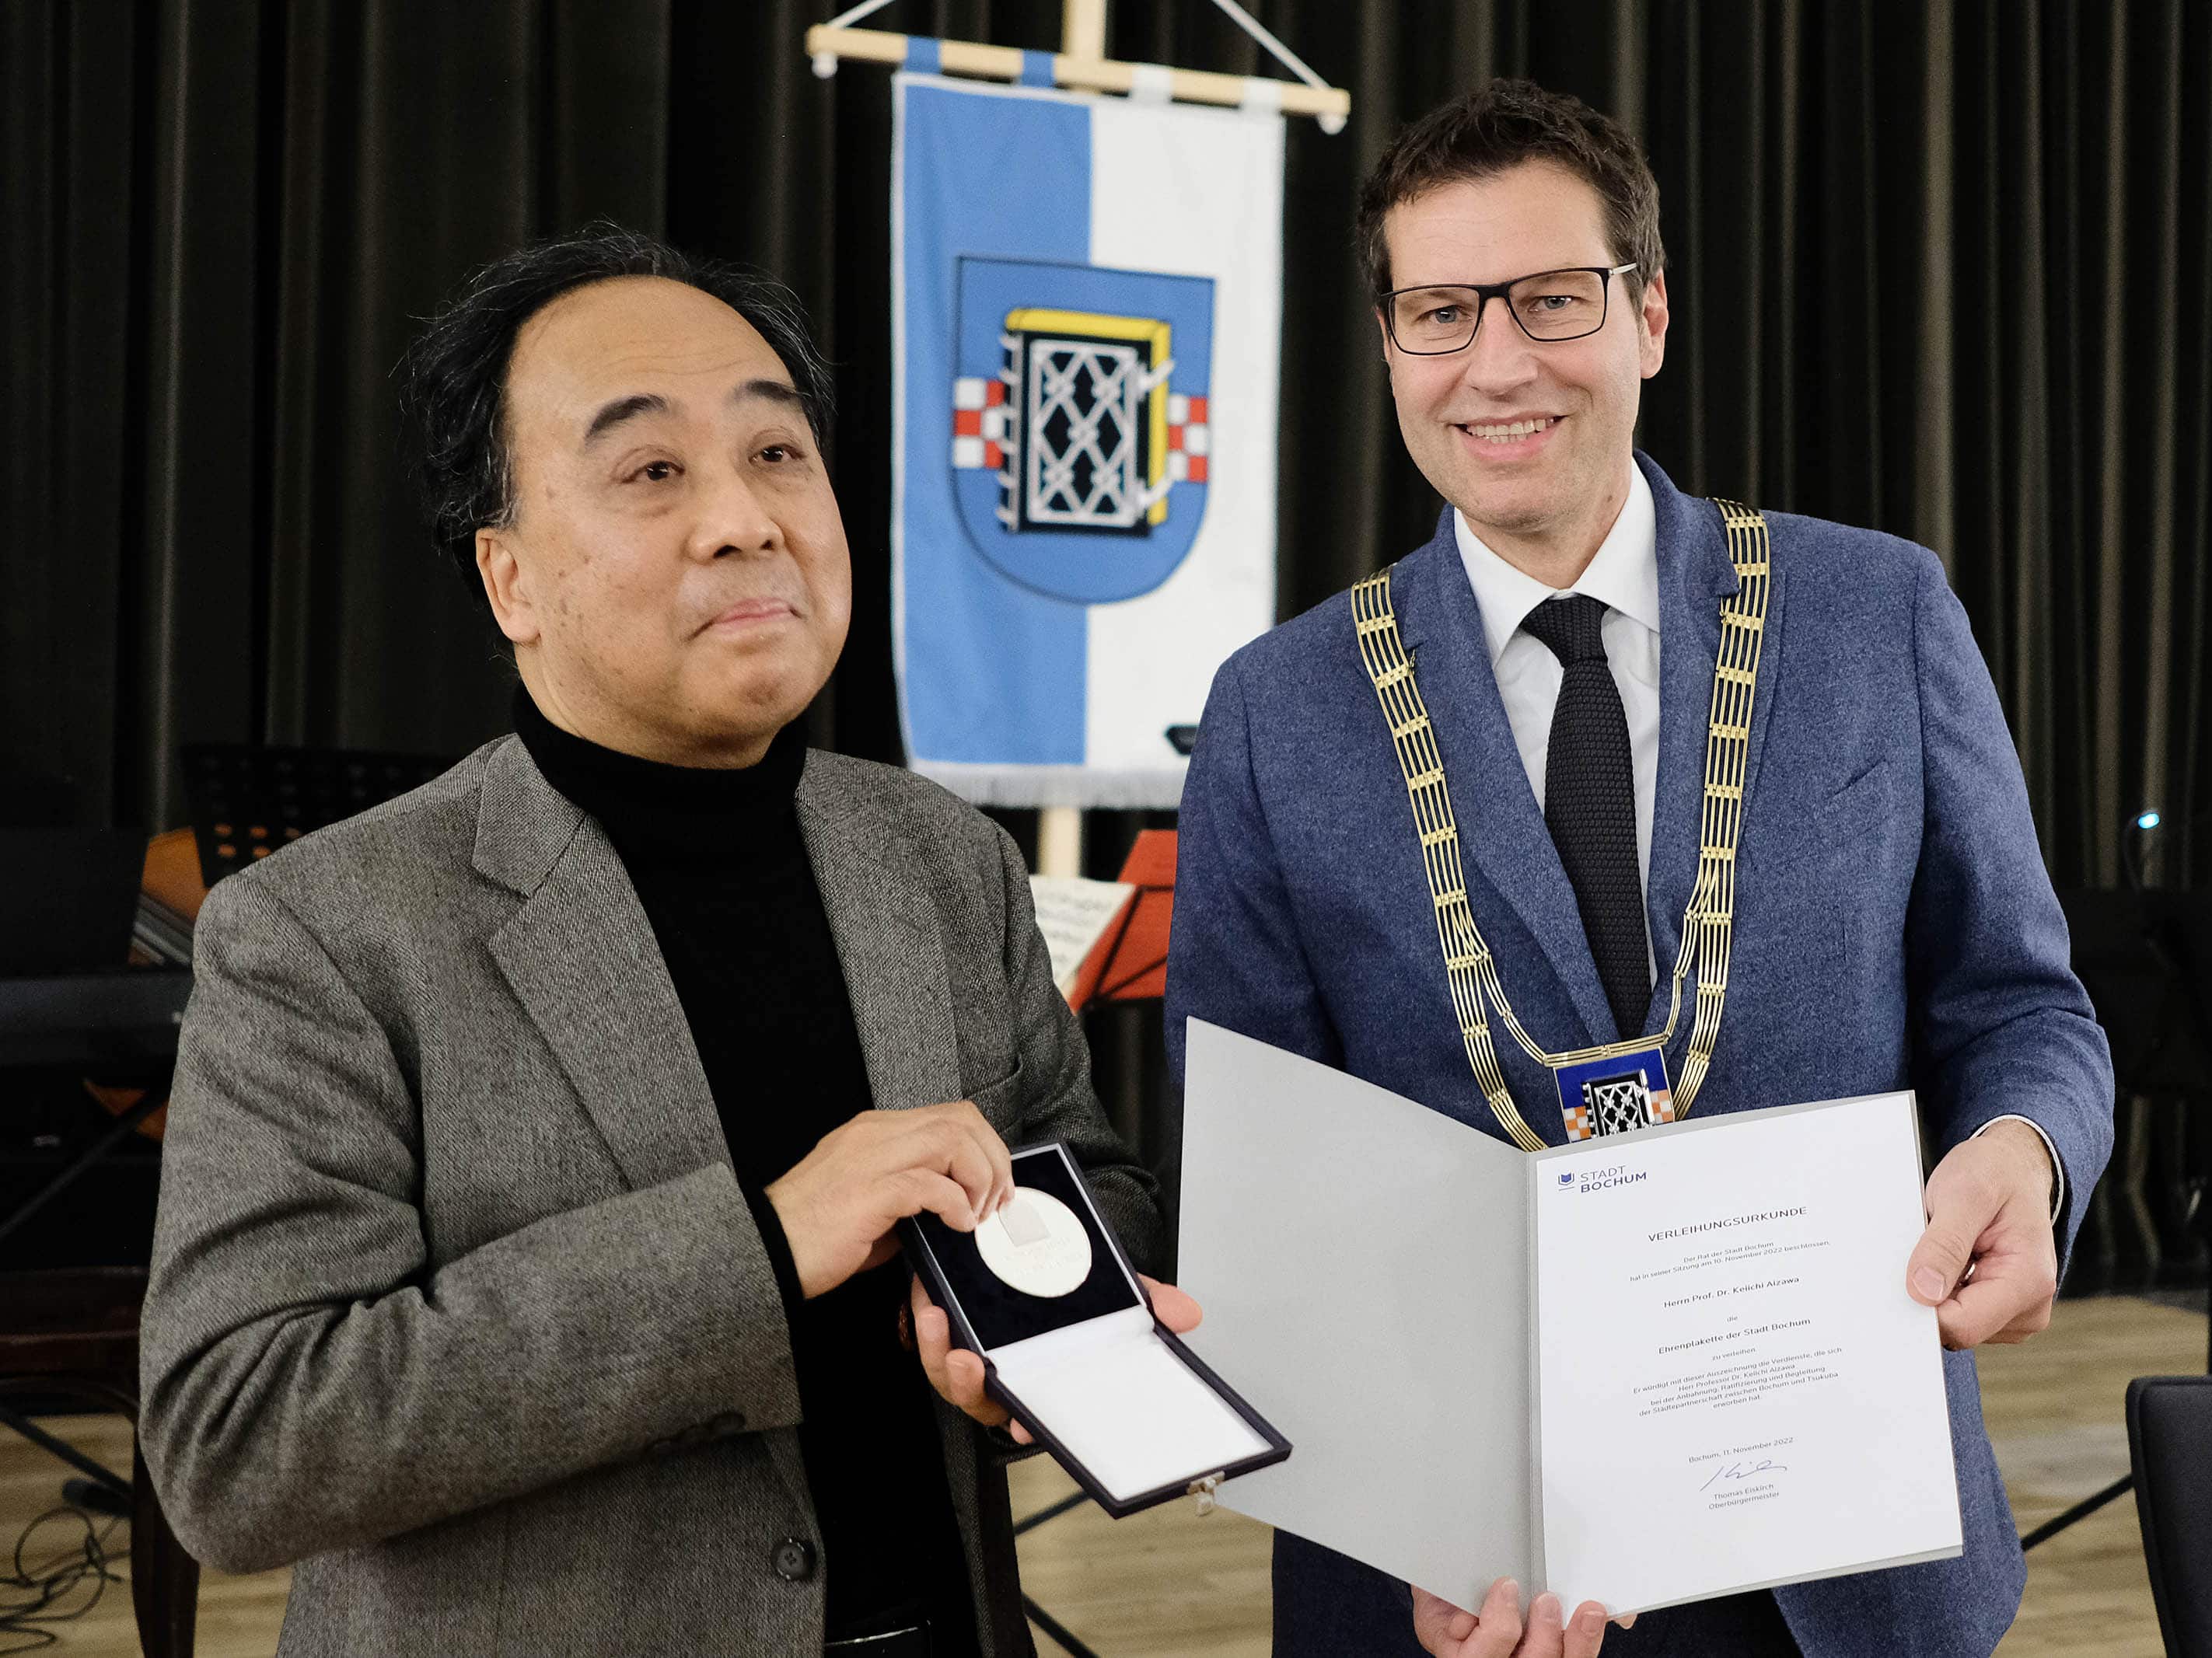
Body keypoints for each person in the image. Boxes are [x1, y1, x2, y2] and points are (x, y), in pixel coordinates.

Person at [138, 225, 1190, 1658]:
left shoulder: (944, 857)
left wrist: (1024, 1320)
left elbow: (1090, 1177)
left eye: (778, 456)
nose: (745, 519)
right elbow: (239, 1438)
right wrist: (758, 1249)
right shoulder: (321, 932)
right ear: (509, 577)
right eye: (650, 471)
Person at [1166, 80, 2112, 1658]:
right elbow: (1260, 1171)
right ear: (1389, 341)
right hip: (1464, 1585)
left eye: (1551, 298)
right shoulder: (1279, 707)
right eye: (1439, 312)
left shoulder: (1874, 612)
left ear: (1648, 313)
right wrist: (1389, 1501)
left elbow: (2022, 1003)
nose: (1497, 363)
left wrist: (2027, 1145)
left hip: (1848, 1547)